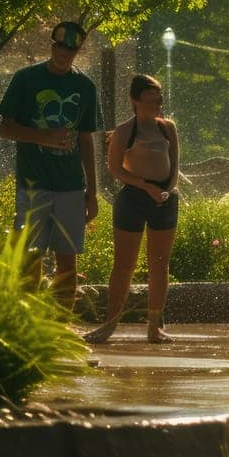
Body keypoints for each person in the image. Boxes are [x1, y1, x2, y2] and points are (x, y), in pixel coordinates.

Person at [0, 21, 102, 306]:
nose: (65, 53)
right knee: (30, 257)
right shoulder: (26, 79)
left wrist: (91, 193)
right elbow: (5, 129)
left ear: (78, 50)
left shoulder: (85, 87)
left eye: (72, 48)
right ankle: (29, 325)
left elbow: (86, 141)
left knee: (67, 261)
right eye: (61, 46)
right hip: (33, 185)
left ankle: (61, 328)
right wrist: (45, 137)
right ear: (52, 45)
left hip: (70, 186)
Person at [84, 75, 180, 344]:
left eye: (159, 98)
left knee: (160, 265)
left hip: (164, 197)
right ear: (136, 101)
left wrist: (167, 190)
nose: (157, 104)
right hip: (134, 197)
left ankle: (154, 326)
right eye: (151, 99)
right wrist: (144, 186)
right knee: (124, 265)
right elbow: (114, 169)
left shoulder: (167, 128)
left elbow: (175, 167)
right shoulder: (126, 131)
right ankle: (109, 324)